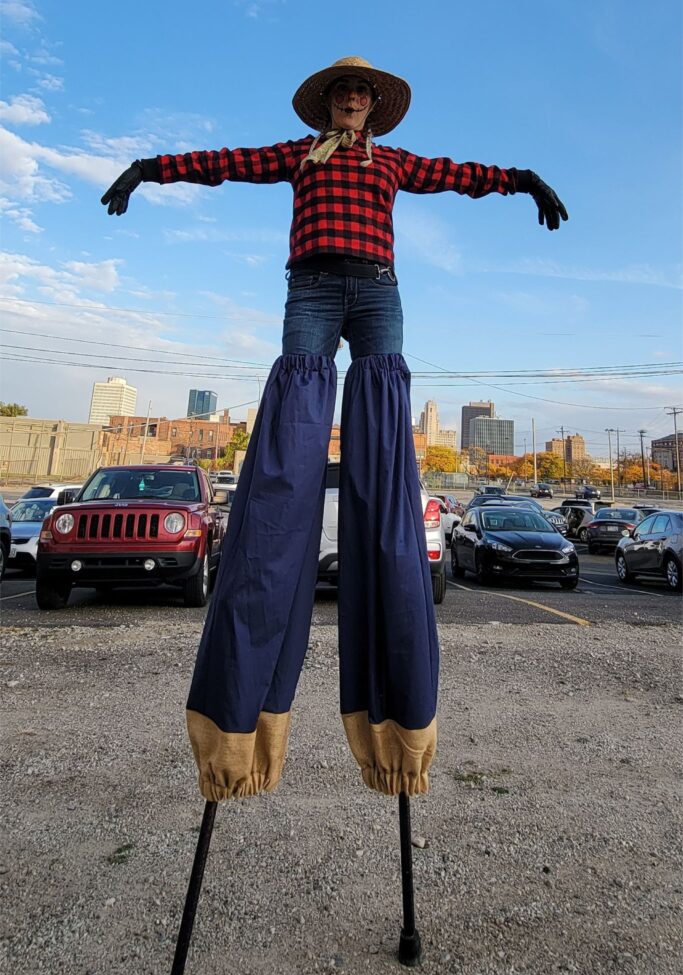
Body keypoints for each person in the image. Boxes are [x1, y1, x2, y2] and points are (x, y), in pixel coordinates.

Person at [102, 56, 567, 803]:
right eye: (344, 92)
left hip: (376, 289)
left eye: (363, 93)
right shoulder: (298, 156)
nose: (353, 99)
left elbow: (456, 173)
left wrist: (520, 180)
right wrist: (147, 168)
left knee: (380, 388)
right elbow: (223, 162)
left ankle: (379, 469)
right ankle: (291, 468)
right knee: (300, 391)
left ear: (373, 108)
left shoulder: (390, 162)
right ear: (328, 105)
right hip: (313, 288)